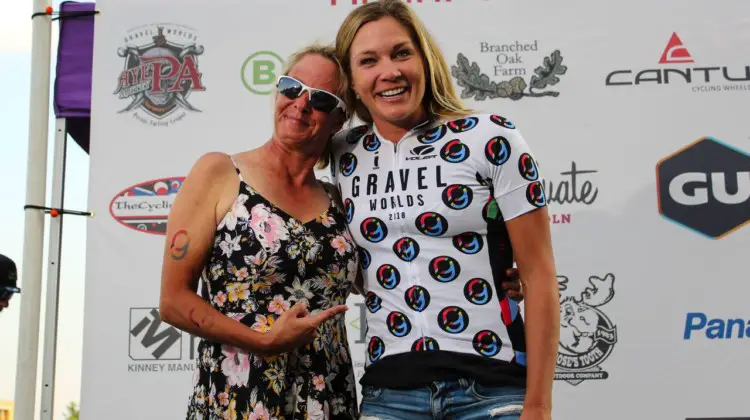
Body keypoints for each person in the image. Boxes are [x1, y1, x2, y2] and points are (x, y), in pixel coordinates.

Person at [330, 1, 560, 419]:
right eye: (369, 60)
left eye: (402, 53)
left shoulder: (491, 137)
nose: (390, 71)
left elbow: (540, 275)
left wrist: (539, 405)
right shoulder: (344, 154)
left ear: (425, 58)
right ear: (352, 80)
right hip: (389, 394)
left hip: (493, 389)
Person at [159, 45, 361, 419]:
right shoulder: (220, 173)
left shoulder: (339, 201)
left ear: (338, 120)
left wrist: (502, 276)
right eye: (291, 87)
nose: (300, 103)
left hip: (328, 400)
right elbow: (173, 302)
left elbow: (390, 272)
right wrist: (265, 341)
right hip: (239, 398)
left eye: (319, 98)